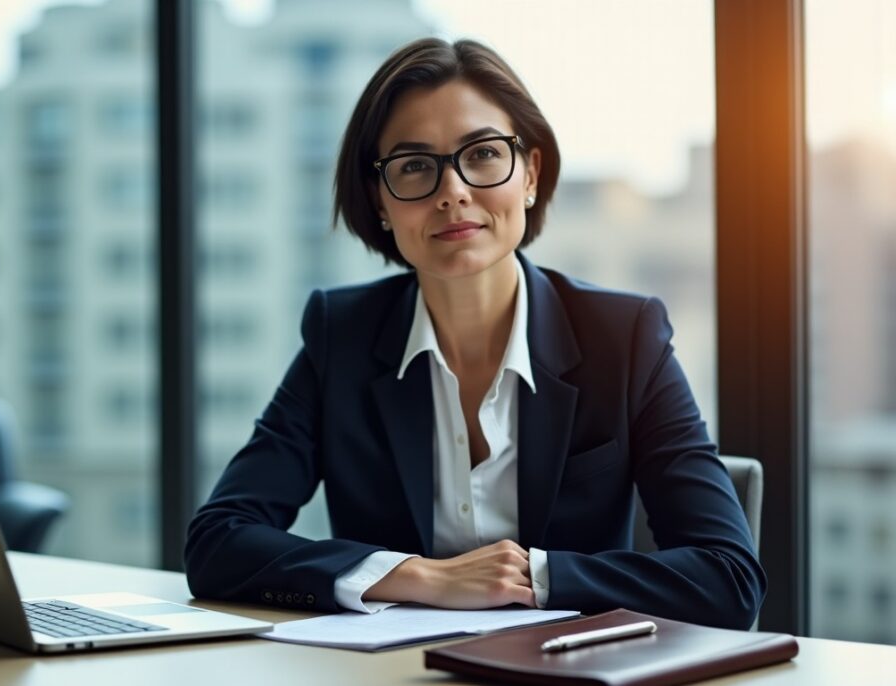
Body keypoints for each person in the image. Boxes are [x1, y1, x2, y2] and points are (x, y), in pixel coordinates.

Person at [184, 37, 765, 630]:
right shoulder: (343, 337)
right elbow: (218, 542)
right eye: (414, 166)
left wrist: (531, 578)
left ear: (531, 174)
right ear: (379, 201)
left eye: (483, 154)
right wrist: (420, 577)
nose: (452, 192)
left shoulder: (624, 337)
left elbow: (727, 577)